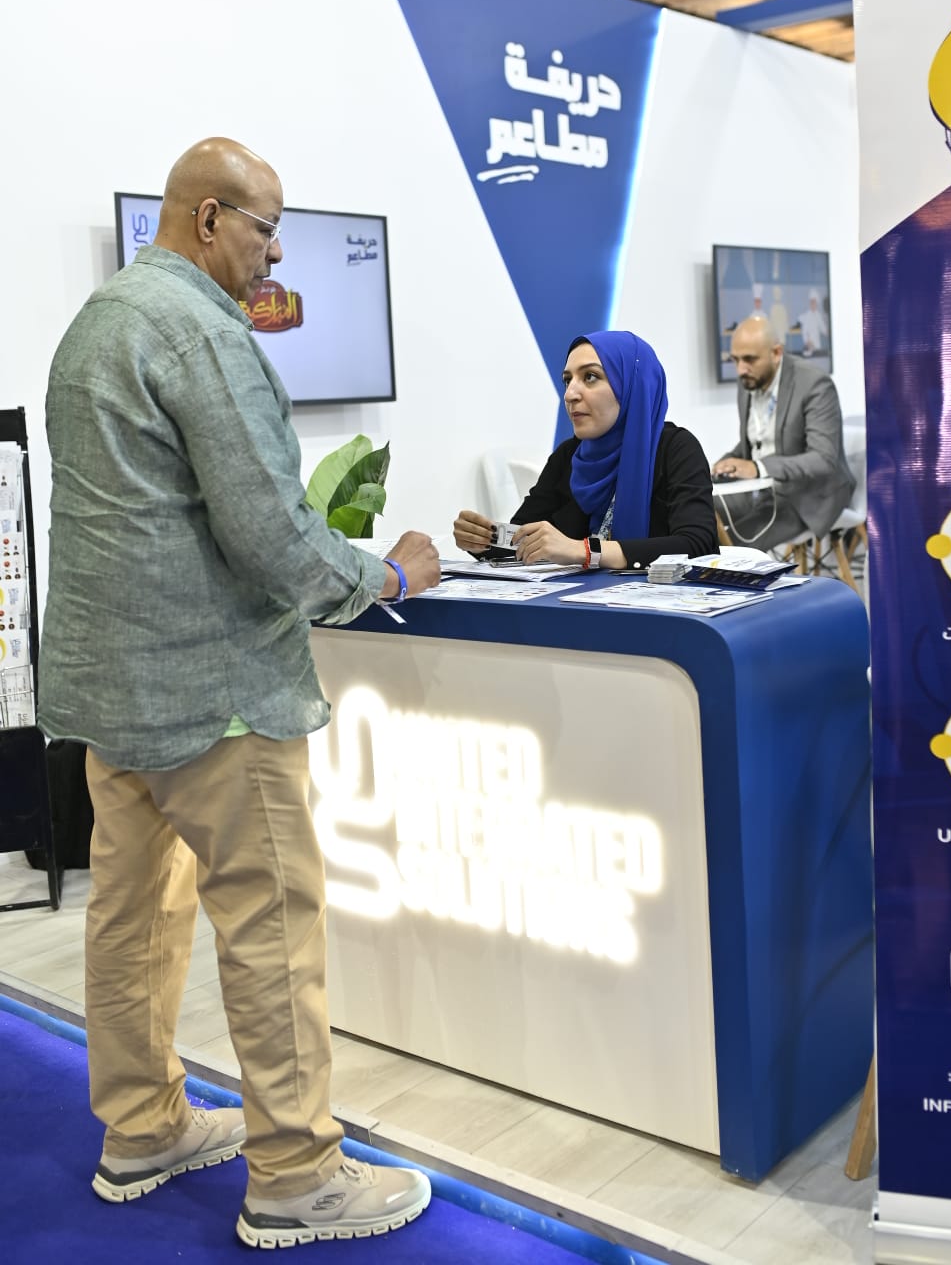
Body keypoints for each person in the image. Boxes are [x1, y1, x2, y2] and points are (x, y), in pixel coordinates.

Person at [38, 137, 440, 1250]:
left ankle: (142, 1129)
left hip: (115, 696)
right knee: (271, 933)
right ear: (210, 219)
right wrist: (390, 576)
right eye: (267, 228)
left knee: (130, 920)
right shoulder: (204, 336)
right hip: (218, 698)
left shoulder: (99, 322)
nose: (277, 254)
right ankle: (299, 1177)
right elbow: (273, 536)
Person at [453, 330, 717, 569]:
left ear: (633, 386)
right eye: (567, 380)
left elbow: (698, 544)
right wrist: (484, 540)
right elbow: (524, 538)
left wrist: (585, 551)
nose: (570, 394)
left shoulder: (675, 448)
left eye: (590, 377)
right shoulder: (569, 455)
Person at [712, 314, 853, 551]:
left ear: (776, 353)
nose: (741, 369)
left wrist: (759, 467)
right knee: (697, 513)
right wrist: (725, 463)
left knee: (733, 547)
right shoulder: (748, 380)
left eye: (749, 359)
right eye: (735, 359)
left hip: (806, 495)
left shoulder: (814, 384)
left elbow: (823, 459)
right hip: (759, 488)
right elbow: (755, 440)